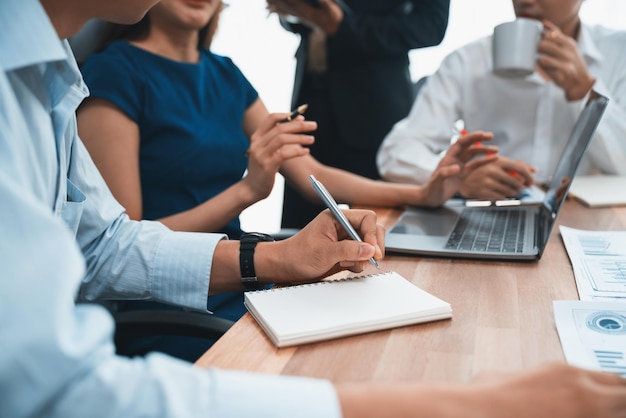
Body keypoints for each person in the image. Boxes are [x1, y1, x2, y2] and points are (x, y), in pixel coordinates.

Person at [3, 3, 626, 416]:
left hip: (230, 279)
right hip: (175, 316)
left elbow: (105, 243)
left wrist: (283, 253)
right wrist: (467, 405)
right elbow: (54, 387)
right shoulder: (102, 75)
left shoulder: (58, 75)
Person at [74, 0, 492, 360]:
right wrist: (245, 193)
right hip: (175, 306)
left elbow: (315, 173)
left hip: (247, 285)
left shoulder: (224, 73)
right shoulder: (114, 73)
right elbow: (121, 243)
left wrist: (423, 192)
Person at [377, 0, 626, 202]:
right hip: (489, 212)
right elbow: (396, 152)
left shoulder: (618, 52)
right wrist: (458, 178)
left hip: (589, 220)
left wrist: (586, 92)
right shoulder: (467, 60)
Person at [265, 0, 451, 228]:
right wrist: (294, 12)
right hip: (311, 96)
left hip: (374, 107)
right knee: (298, 226)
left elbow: (430, 26)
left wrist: (343, 26)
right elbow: (299, 24)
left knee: (379, 231)